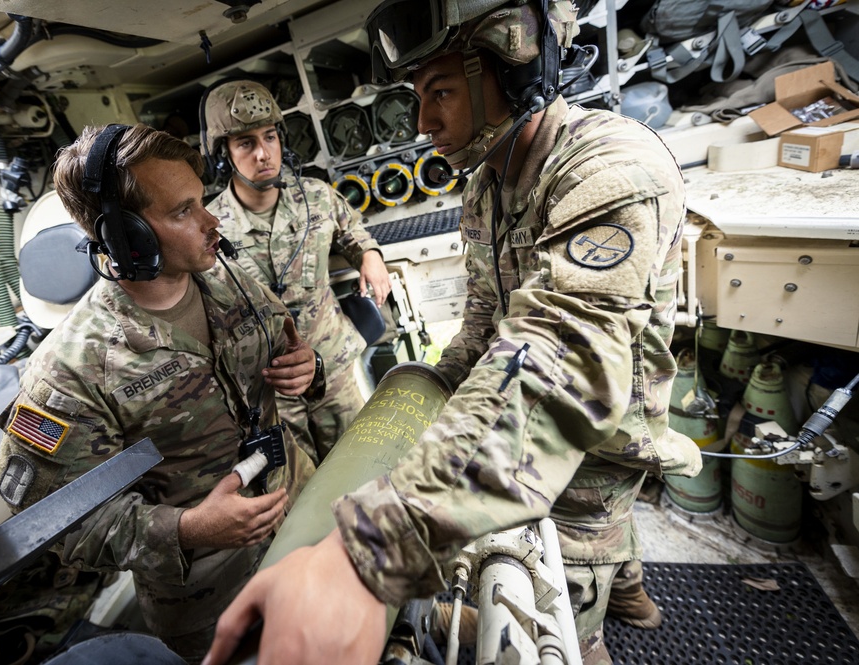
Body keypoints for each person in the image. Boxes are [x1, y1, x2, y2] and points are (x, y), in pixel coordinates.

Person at [202, 1, 702, 664]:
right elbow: (484, 323)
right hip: (541, 422)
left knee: (575, 566)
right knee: (601, 527)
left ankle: (605, 613)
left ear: (515, 74)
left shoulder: (609, 168)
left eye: (440, 92)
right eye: (417, 97)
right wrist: (431, 386)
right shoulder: (488, 184)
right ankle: (631, 584)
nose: (423, 121)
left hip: (602, 425)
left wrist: (374, 550)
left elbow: (557, 363)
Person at [0, 123, 320, 663]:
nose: (212, 221)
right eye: (183, 212)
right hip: (212, 592)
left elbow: (294, 351)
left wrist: (308, 368)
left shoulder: (230, 280)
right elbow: (55, 520)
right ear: (127, 236)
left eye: (202, 201)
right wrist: (186, 528)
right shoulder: (70, 370)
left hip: (303, 515)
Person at [203, 80, 392, 465]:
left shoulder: (316, 195)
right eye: (245, 144)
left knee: (364, 468)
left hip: (334, 370)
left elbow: (351, 228)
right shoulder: (210, 226)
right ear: (223, 156)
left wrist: (370, 254)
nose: (263, 153)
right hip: (269, 391)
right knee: (301, 493)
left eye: (270, 137)